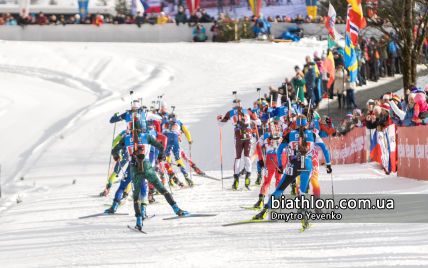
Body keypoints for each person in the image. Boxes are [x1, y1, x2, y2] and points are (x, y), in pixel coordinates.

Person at [253, 114, 332, 228]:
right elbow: (324, 148)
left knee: (280, 189)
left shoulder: (289, 134)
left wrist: (280, 165)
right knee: (303, 191)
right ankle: (304, 216)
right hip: (307, 165)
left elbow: (280, 150)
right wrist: (328, 164)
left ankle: (264, 211)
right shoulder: (313, 134)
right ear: (306, 123)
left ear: (295, 123)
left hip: (293, 164)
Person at [217, 99, 259, 190]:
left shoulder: (230, 112)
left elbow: (221, 124)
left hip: (238, 137)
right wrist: (254, 118)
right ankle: (247, 179)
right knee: (247, 156)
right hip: (248, 136)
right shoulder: (247, 111)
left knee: (238, 157)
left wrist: (219, 119)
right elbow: (258, 122)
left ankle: (236, 182)